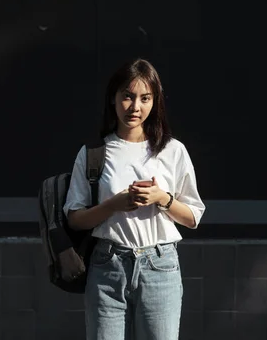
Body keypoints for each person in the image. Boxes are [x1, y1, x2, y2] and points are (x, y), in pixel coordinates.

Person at [63, 58, 206, 340]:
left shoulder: (171, 150)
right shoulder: (94, 152)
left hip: (160, 266)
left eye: (145, 98)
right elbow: (75, 219)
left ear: (155, 102)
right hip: (107, 265)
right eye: (127, 96)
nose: (135, 107)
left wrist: (161, 198)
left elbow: (193, 217)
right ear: (113, 99)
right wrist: (113, 205)